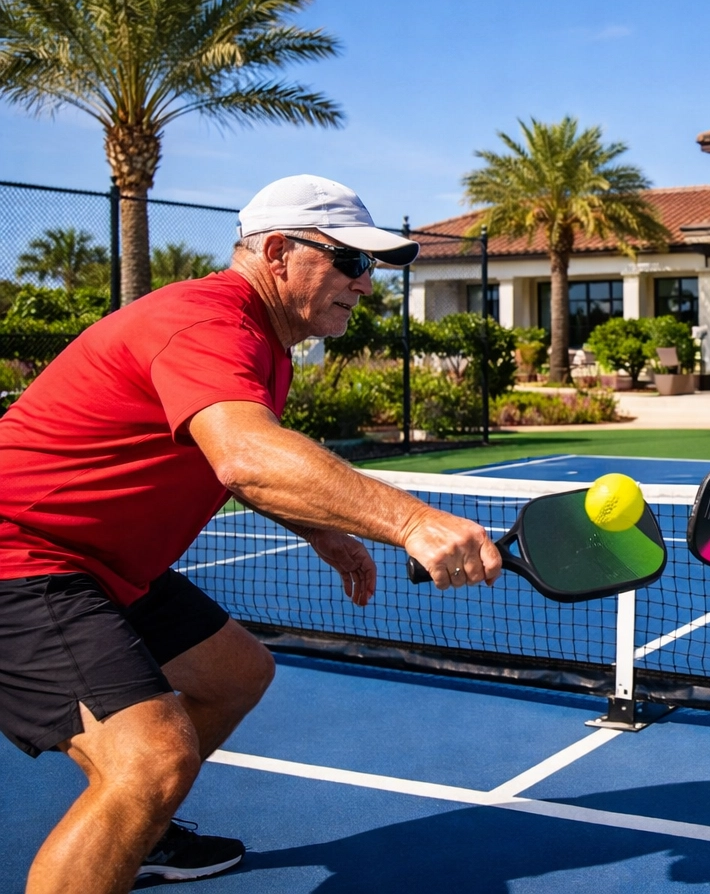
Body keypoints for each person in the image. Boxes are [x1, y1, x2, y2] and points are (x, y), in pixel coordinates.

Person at [0, 175, 503, 894]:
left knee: (237, 674)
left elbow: (229, 459)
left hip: (106, 560)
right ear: (277, 251)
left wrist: (323, 532)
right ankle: (136, 805)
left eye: (371, 269)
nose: (367, 286)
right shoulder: (208, 322)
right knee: (150, 761)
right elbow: (245, 452)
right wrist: (413, 521)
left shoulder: (262, 340)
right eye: (352, 263)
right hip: (24, 555)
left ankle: (138, 832)